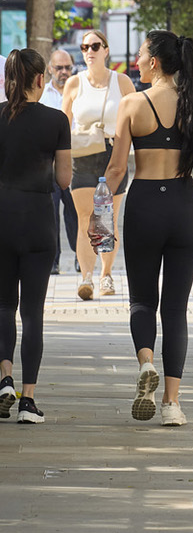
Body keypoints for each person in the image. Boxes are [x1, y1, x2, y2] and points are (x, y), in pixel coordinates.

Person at [101, 30, 193, 427]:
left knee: (142, 301)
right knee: (175, 309)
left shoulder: (131, 104)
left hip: (144, 207)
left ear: (154, 61)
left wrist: (99, 215)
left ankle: (145, 364)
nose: (135, 62)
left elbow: (118, 169)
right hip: (184, 207)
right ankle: (172, 404)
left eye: (139, 55)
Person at [0, 49, 73, 423]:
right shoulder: (56, 120)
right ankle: (28, 401)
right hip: (38, 220)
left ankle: (3, 378)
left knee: (1, 306)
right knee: (32, 312)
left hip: (2, 217)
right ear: (41, 80)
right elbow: (64, 179)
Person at [61, 29, 135, 300]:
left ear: (106, 49)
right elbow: (63, 124)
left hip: (113, 156)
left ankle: (106, 275)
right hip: (82, 155)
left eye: (95, 46)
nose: (89, 52)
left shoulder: (123, 82)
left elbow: (134, 120)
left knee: (107, 219)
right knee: (84, 219)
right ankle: (86, 278)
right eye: (84, 47)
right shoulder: (74, 83)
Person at [41, 50, 79, 276]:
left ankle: (79, 255)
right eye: (59, 68)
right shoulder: (43, 95)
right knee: (50, 213)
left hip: (75, 163)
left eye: (68, 68)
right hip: (48, 164)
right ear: (49, 69)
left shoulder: (80, 93)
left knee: (75, 212)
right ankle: (53, 260)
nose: (64, 72)